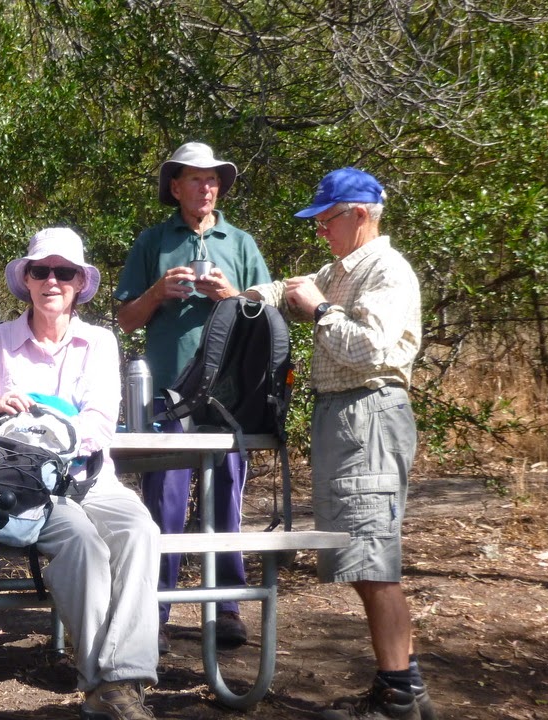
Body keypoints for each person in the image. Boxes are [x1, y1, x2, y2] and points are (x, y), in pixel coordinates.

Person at [0, 228, 161, 720]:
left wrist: (51, 436)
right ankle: (106, 687)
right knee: (82, 542)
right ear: (27, 280)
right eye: (41, 270)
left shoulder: (99, 342)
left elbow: (100, 421)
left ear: (81, 282)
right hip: (23, 487)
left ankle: (122, 676)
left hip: (90, 476)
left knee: (140, 530)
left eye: (65, 272)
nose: (52, 280)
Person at [241, 168, 435, 720]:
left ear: (360, 214)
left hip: (369, 412)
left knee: (373, 562)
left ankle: (397, 696)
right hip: (343, 417)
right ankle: (406, 690)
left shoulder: (387, 271)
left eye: (327, 220)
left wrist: (321, 310)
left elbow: (369, 348)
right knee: (362, 558)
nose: (321, 231)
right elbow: (286, 290)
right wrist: (238, 298)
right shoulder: (339, 269)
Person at [113, 142, 272, 651]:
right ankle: (156, 610)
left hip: (229, 395)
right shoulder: (153, 242)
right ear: (176, 187)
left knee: (226, 496)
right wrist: (158, 292)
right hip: (166, 391)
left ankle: (226, 607)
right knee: (165, 501)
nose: (206, 187)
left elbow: (267, 321)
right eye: (196, 179)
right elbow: (124, 319)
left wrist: (230, 298)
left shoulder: (240, 244)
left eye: (213, 179)